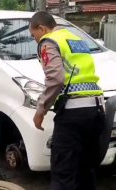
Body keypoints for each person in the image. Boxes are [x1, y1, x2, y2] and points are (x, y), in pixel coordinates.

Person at [29, 11, 107, 190]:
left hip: (73, 114)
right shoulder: (75, 39)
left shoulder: (48, 41)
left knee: (63, 174)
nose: (35, 39)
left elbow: (56, 79)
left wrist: (40, 110)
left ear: (42, 28)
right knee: (86, 171)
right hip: (96, 111)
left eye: (33, 35)